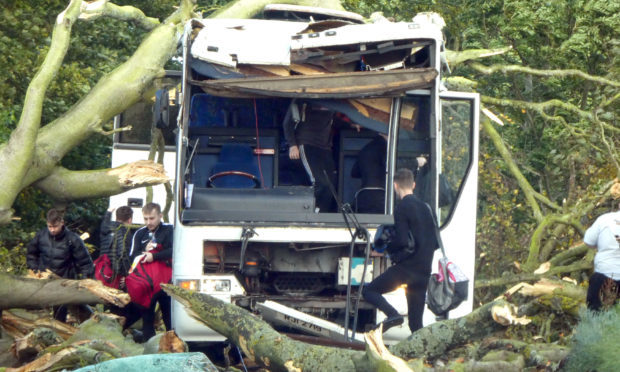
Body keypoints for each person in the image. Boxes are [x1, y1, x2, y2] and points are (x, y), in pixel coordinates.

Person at [362, 168, 437, 333]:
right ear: (414, 185)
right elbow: (436, 243)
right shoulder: (428, 208)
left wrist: (384, 250)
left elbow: (402, 240)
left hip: (406, 270)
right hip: (424, 271)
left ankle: (392, 315)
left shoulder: (402, 207)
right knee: (416, 324)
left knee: (369, 290)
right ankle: (425, 357)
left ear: (395, 186)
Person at [27, 208, 94, 321]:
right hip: (43, 280)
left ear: (62, 223)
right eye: (50, 227)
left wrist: (86, 280)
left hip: (64, 281)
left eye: (55, 226)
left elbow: (85, 262)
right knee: (40, 313)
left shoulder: (73, 239)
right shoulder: (41, 236)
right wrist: (34, 269)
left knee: (59, 315)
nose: (52, 230)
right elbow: (31, 254)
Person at [127, 203, 173, 341]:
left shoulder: (170, 230)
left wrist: (154, 255)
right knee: (147, 316)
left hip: (166, 282)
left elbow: (175, 250)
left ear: (160, 216)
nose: (148, 222)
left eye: (152, 218)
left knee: (169, 315)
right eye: (145, 219)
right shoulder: (140, 233)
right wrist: (144, 252)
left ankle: (173, 344)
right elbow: (132, 256)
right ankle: (149, 345)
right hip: (146, 283)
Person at [351, 133, 427, 213]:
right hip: (380, 198)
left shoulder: (365, 149)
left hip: (362, 197)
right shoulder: (384, 147)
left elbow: (354, 172)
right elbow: (391, 165)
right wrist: (416, 162)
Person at [283, 101, 337, 212]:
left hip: (325, 147)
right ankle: (310, 210)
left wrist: (353, 124)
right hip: (307, 144)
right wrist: (293, 145)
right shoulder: (301, 100)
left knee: (331, 185)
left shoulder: (334, 100)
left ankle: (323, 213)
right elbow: (287, 123)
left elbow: (335, 121)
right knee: (320, 182)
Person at [583, 197, 620, 311]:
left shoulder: (604, 219)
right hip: (606, 275)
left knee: (595, 316)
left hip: (603, 275)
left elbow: (588, 242)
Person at [99, 206, 134, 284]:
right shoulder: (125, 233)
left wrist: (108, 212)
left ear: (116, 217)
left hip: (102, 270)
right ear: (130, 220)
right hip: (115, 274)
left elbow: (105, 222)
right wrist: (126, 274)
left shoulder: (106, 228)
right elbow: (123, 254)